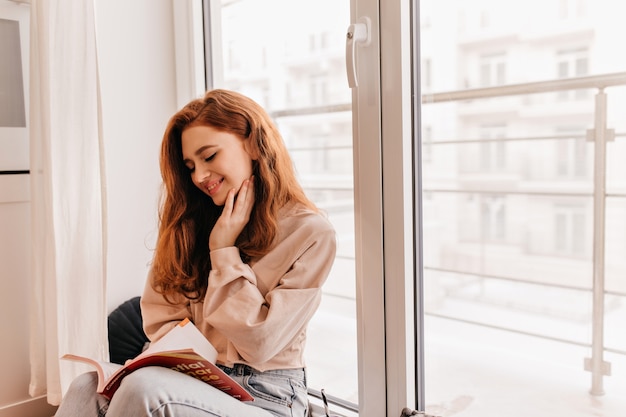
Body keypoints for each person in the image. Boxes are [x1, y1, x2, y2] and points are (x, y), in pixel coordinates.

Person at [54, 89, 337, 417]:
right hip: (195, 381)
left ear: (255, 145)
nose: (199, 176)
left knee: (144, 390)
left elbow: (259, 343)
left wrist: (223, 250)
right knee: (85, 387)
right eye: (190, 166)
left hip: (269, 396)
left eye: (210, 156)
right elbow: (161, 318)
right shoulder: (190, 225)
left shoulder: (311, 233)